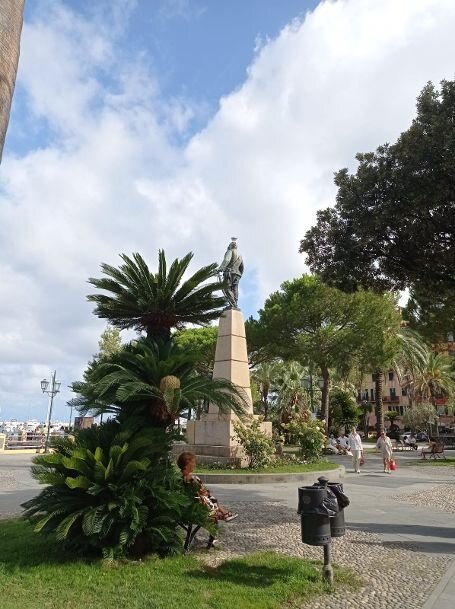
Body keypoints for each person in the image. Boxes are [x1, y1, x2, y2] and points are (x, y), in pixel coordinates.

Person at [177, 451, 238, 523]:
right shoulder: (188, 479)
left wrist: (204, 492)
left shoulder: (184, 477)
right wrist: (203, 492)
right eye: (193, 462)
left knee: (209, 498)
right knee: (207, 500)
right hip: (194, 507)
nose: (195, 464)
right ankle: (224, 514)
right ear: (186, 464)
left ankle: (224, 513)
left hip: (195, 505)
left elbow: (203, 491)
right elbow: (197, 493)